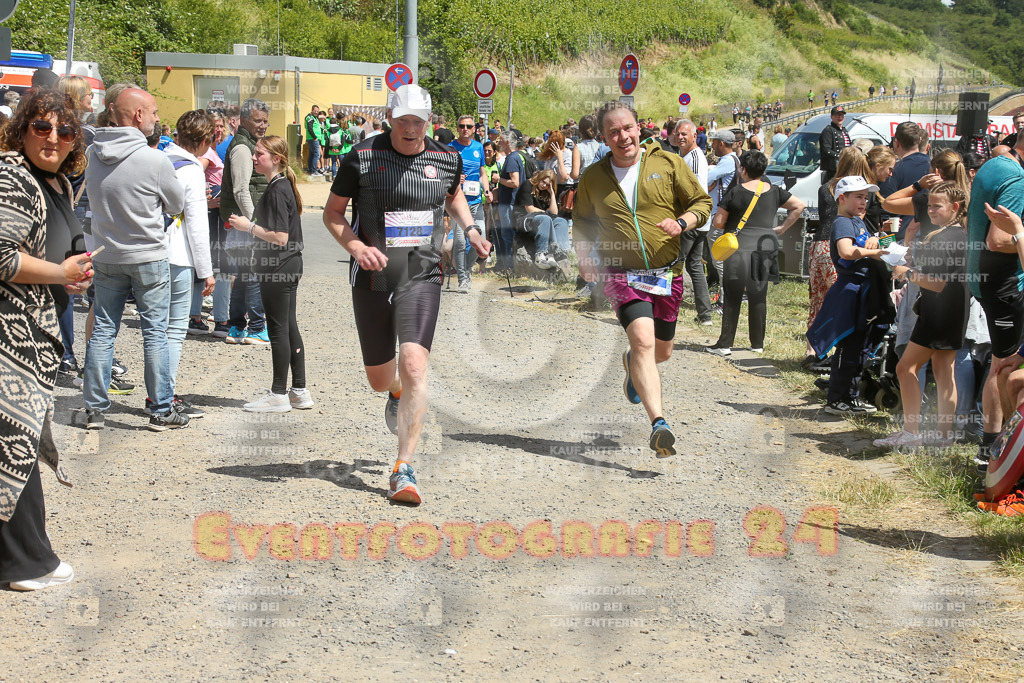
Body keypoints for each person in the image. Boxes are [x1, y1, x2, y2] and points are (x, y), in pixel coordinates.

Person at [322, 84, 491, 505]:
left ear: (429, 121)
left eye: (419, 121)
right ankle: (395, 392)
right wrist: (357, 247)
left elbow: (453, 198)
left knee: (415, 363)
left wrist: (470, 229)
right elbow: (333, 214)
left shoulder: (446, 158)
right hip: (374, 277)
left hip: (422, 272)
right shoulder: (360, 158)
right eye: (403, 122)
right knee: (381, 379)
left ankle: (404, 468)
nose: (411, 129)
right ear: (389, 119)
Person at [573, 101, 711, 458]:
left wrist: (681, 223)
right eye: (613, 131)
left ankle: (630, 364)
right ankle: (659, 424)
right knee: (645, 343)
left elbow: (701, 203)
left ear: (640, 128)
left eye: (627, 128)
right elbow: (584, 223)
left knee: (661, 351)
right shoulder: (593, 177)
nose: (623, 137)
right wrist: (585, 257)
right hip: (622, 273)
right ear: (603, 137)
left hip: (667, 274)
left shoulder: (667, 162)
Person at [0, 88, 94, 591]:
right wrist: (60, 274)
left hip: (34, 335)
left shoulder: (55, 182)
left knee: (17, 444)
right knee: (14, 448)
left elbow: (62, 254)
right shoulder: (13, 176)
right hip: (8, 337)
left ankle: (24, 559)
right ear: (22, 129)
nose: (52, 138)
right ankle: (25, 564)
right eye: (41, 127)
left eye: (64, 130)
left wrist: (73, 275)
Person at [83, 87, 189, 431]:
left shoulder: (91, 154)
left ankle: (94, 409)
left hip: (106, 255)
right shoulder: (154, 159)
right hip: (148, 256)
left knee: (102, 331)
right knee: (155, 334)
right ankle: (160, 409)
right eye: (154, 112)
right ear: (139, 116)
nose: (157, 119)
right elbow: (176, 205)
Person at [875, 183, 969, 449]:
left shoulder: (944, 237)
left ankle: (911, 431)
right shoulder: (958, 234)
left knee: (905, 368)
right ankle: (942, 435)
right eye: (929, 205)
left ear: (955, 208)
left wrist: (907, 273)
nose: (931, 210)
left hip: (938, 311)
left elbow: (937, 282)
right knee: (943, 372)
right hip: (952, 310)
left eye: (937, 206)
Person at [227, 135, 311, 413]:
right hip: (288, 265)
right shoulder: (282, 185)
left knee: (277, 329)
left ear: (275, 159)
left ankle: (278, 393)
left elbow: (279, 237)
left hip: (278, 265)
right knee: (288, 325)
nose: (253, 158)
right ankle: (299, 391)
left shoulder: (277, 189)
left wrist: (246, 226)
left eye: (259, 154)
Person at [808, 176, 893, 415]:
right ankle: (837, 399)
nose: (863, 202)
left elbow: (863, 243)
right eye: (858, 196)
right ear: (842, 198)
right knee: (849, 345)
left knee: (859, 346)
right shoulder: (843, 222)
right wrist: (872, 253)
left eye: (866, 197)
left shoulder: (857, 222)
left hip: (862, 291)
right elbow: (846, 250)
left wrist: (877, 239)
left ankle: (851, 396)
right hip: (850, 291)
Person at [707, 151, 804, 356]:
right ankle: (757, 344)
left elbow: (718, 222)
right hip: (765, 248)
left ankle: (725, 344)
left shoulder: (736, 191)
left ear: (743, 169)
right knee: (758, 296)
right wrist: (783, 228)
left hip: (738, 249)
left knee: (732, 296)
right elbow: (799, 205)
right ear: (763, 170)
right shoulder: (774, 191)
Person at [966, 133, 1024, 469]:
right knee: (1005, 365)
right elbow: (999, 238)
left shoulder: (995, 163)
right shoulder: (1016, 178)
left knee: (997, 362)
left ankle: (992, 445)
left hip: (986, 279)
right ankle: (994, 448)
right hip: (1005, 284)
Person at [161, 111, 216, 419]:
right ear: (204, 141)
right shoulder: (192, 170)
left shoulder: (161, 159)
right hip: (178, 257)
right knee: (172, 332)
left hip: (152, 253)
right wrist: (206, 271)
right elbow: (195, 225)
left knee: (156, 331)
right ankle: (164, 398)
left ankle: (157, 395)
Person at [805, 147, 874, 368]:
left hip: (819, 245)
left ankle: (812, 351)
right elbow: (858, 218)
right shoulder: (855, 193)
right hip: (840, 243)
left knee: (817, 299)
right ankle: (834, 350)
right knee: (838, 300)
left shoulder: (826, 187)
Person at [220, 98, 271, 346]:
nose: (263, 125)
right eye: (257, 120)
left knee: (242, 276)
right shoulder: (242, 147)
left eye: (265, 121)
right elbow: (241, 190)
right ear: (243, 120)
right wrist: (254, 225)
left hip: (240, 223)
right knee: (252, 276)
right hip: (244, 224)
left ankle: (237, 328)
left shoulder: (247, 143)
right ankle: (256, 328)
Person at [671, 119, 713, 325]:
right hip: (697, 221)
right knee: (694, 266)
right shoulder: (687, 156)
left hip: (692, 221)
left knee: (673, 264)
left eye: (684, 134)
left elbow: (694, 193)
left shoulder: (694, 158)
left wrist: (684, 218)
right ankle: (705, 315)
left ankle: (667, 309)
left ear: (694, 136)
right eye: (677, 133)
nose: (680, 137)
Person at [448, 114, 490, 292]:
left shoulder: (478, 147)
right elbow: (445, 175)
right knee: (458, 242)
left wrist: (487, 190)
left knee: (479, 239)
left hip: (476, 201)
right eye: (462, 126)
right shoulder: (450, 147)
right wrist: (456, 178)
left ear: (474, 129)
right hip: (459, 202)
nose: (465, 129)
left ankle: (468, 270)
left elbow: (482, 172)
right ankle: (463, 279)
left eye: (469, 126)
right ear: (457, 128)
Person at [705, 130, 740, 309]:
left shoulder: (727, 162)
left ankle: (724, 299)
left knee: (719, 258)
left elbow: (706, 178)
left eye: (714, 142)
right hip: (730, 216)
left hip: (721, 216)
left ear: (721, 143)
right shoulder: (735, 160)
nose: (712, 146)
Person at [879, 122, 930, 239]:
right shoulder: (935, 167)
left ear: (896, 142)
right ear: (920, 140)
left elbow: (884, 210)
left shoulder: (892, 171)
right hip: (930, 237)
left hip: (901, 240)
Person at [524, 169, 569, 269]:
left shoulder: (546, 192)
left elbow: (554, 213)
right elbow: (529, 209)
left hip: (544, 219)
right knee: (545, 219)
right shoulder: (527, 185)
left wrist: (552, 193)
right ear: (539, 178)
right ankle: (540, 255)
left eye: (547, 184)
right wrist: (547, 213)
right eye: (543, 182)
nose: (544, 185)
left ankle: (557, 254)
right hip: (526, 220)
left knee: (561, 221)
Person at [494, 131, 523, 272]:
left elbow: (515, 182)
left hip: (509, 203)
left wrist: (498, 180)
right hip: (510, 202)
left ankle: (509, 267)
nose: (498, 143)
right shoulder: (513, 157)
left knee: (507, 235)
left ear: (507, 142)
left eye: (501, 140)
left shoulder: (512, 159)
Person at [819, 106, 851, 183]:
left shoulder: (844, 130)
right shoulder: (828, 130)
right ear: (831, 116)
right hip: (833, 171)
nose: (840, 117)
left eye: (842, 115)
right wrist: (840, 157)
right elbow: (826, 150)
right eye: (837, 115)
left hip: (844, 169)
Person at [304, 104, 322, 175]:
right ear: (312, 110)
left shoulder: (315, 117)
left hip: (313, 139)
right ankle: (314, 170)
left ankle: (310, 170)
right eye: (315, 111)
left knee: (312, 154)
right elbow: (310, 128)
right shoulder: (310, 118)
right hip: (313, 139)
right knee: (316, 154)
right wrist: (315, 137)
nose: (316, 112)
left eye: (317, 111)